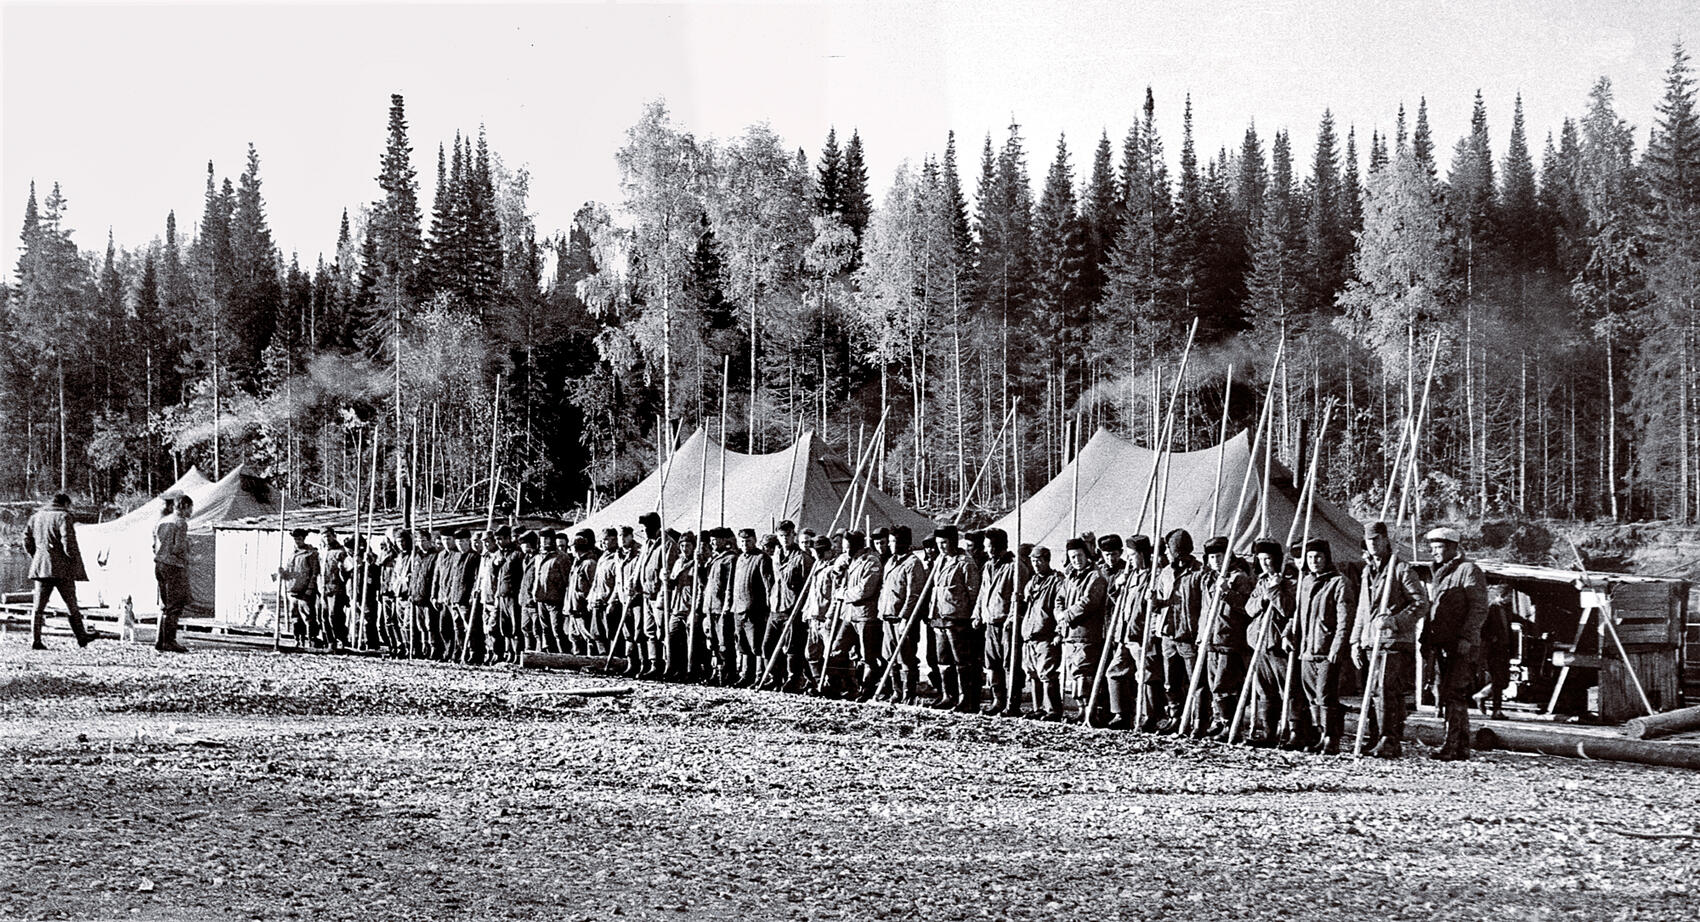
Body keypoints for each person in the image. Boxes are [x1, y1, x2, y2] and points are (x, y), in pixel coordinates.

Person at [1351, 521, 1427, 758]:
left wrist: (1396, 620)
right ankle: (1376, 736)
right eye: (1369, 541)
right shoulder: (1367, 571)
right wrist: (1356, 640)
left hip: (1394, 641)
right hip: (1370, 641)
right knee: (1372, 692)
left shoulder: (1400, 569)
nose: (1373, 545)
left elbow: (1421, 603)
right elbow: (1363, 609)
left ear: (1385, 540)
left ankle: (1390, 739)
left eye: (1376, 540)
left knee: (1386, 690)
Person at [1423, 527, 1488, 761]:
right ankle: (1461, 746)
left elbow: (1479, 608)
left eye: (1439, 547)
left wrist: (1467, 638)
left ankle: (1451, 745)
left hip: (1460, 645)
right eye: (1432, 548)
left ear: (1453, 547)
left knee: (1454, 693)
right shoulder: (1441, 572)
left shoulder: (1468, 570)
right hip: (1443, 643)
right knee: (1449, 693)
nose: (1434, 552)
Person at [1296, 538, 1355, 755]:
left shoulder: (1339, 582)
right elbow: (1300, 615)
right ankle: (1321, 734)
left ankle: (1332, 737)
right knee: (1312, 694)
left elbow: (1344, 620)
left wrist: (1337, 648)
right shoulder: (1306, 582)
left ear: (1327, 558)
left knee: (1326, 694)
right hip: (1307, 649)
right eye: (1310, 557)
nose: (1314, 561)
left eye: (1318, 557)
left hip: (1326, 649)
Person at [24, 493, 102, 650]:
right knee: (71, 604)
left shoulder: (36, 516)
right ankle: (81, 637)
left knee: (38, 607)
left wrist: (37, 556)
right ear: (65, 503)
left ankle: (36, 640)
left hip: (41, 567)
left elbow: (26, 540)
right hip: (62, 569)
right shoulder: (64, 516)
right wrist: (73, 561)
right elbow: (68, 542)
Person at [1243, 538, 1301, 747]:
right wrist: (1265, 597)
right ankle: (1268, 731)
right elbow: (1249, 608)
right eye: (1261, 559)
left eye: (1268, 559)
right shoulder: (1261, 581)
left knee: (1289, 688)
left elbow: (1289, 609)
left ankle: (1295, 731)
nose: (1265, 563)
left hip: (1278, 643)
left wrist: (1276, 590)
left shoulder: (1291, 581)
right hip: (1259, 642)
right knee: (1264, 690)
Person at [1152, 529, 1208, 733]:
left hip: (1189, 636)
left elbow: (1205, 606)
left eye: (1169, 548)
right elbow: (1159, 601)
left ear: (1176, 550)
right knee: (1171, 682)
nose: (1166, 552)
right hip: (1168, 635)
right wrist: (1155, 602)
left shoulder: (1200, 573)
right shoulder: (1165, 573)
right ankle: (1176, 717)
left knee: (1196, 682)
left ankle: (1199, 722)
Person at [1201, 536, 1253, 740]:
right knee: (1214, 683)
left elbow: (1247, 607)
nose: (1215, 561)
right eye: (1211, 557)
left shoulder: (1239, 578)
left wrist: (1227, 593)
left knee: (1225, 684)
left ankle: (1231, 725)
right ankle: (1220, 720)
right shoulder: (1209, 578)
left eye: (1219, 556)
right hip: (1211, 638)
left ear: (1228, 556)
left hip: (1229, 638)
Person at [928, 525, 983, 713]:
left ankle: (966, 699)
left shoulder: (965, 563)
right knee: (943, 660)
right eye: (938, 544)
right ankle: (948, 696)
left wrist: (973, 616)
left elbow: (974, 593)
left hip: (958, 619)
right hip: (939, 617)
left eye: (944, 543)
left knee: (962, 661)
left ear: (952, 542)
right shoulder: (940, 560)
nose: (941, 547)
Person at [1056, 537, 1108, 722]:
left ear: (1086, 555)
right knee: (1074, 671)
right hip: (1070, 633)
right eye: (1072, 557)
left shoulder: (1095, 577)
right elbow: (1060, 598)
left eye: (1078, 556)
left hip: (1087, 632)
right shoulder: (1070, 576)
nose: (1076, 560)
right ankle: (1080, 709)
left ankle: (1089, 711)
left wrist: (1067, 615)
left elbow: (1088, 602)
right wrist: (1059, 613)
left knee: (1084, 672)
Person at [973, 528, 1022, 715]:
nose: (986, 550)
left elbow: (1019, 598)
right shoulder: (988, 566)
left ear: (997, 547)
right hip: (990, 623)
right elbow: (982, 593)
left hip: (1006, 624)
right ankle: (998, 700)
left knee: (1010, 664)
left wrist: (1012, 619)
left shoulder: (1014, 568)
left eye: (988, 547)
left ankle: (1012, 703)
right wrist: (978, 614)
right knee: (992, 664)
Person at [877, 526, 928, 703]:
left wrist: (905, 617)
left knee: (906, 656)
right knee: (890, 656)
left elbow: (913, 594)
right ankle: (897, 691)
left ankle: (909, 693)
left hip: (903, 619)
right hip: (888, 616)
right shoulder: (891, 562)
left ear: (902, 543)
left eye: (893, 542)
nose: (890, 545)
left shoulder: (913, 564)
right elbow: (885, 589)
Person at [762, 521, 814, 692]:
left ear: (794, 535)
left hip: (793, 608)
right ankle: (774, 677)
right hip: (776, 606)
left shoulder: (802, 558)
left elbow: (808, 587)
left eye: (788, 535)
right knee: (768, 645)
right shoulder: (776, 556)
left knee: (793, 647)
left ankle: (794, 679)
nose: (785, 539)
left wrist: (802, 608)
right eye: (781, 536)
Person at [834, 531, 884, 700]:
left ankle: (867, 689)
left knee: (867, 656)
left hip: (866, 616)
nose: (844, 551)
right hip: (849, 615)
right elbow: (837, 582)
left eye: (847, 548)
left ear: (857, 547)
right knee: (837, 650)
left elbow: (865, 590)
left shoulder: (871, 562)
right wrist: (838, 571)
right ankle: (849, 685)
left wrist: (843, 594)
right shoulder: (849, 561)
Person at [1019, 545, 1065, 720]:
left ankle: (1052, 710)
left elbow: (1060, 607)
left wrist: (1059, 632)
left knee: (1047, 673)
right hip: (1030, 634)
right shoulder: (1032, 582)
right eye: (1033, 560)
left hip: (1046, 634)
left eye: (1039, 560)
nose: (1036, 564)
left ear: (1047, 560)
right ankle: (1038, 707)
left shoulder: (1057, 581)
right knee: (1033, 673)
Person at [729, 527, 775, 687]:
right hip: (738, 609)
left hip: (755, 610)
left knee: (756, 645)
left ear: (754, 540)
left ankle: (760, 676)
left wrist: (768, 609)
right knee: (743, 645)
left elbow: (768, 585)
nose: (745, 544)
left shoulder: (762, 558)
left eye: (748, 541)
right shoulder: (740, 558)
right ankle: (745, 675)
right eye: (742, 541)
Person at [637, 513, 679, 680]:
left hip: (660, 595)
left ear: (654, 527)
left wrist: (662, 597)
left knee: (664, 632)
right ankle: (655, 664)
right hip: (647, 594)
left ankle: (670, 665)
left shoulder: (667, 544)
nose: (643, 531)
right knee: (650, 631)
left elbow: (668, 574)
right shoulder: (647, 544)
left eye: (645, 528)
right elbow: (641, 566)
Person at [151, 492, 192, 653]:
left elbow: (153, 545)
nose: (191, 512)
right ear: (185, 506)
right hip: (174, 566)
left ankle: (160, 640)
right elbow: (178, 548)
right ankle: (169, 640)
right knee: (175, 605)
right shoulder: (180, 523)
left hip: (159, 564)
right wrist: (188, 548)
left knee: (164, 605)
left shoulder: (162, 521)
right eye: (190, 508)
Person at [702, 528, 741, 685]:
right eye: (711, 540)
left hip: (721, 607)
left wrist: (727, 606)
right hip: (711, 607)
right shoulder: (714, 559)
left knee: (725, 643)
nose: (712, 542)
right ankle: (717, 672)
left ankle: (728, 674)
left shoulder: (730, 559)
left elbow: (730, 586)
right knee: (713, 642)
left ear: (725, 541)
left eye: (716, 539)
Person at [278, 527, 319, 648]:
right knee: (295, 616)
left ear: (304, 539)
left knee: (308, 616)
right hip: (293, 589)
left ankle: (312, 639)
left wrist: (310, 588)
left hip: (304, 590)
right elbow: (290, 572)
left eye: (299, 539)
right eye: (295, 539)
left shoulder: (311, 553)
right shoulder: (293, 554)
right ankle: (298, 639)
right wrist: (283, 573)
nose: (297, 541)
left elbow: (314, 573)